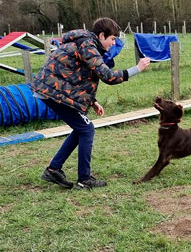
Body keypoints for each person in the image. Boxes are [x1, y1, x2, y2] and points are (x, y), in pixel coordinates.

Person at [32, 17, 151, 189]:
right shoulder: (88, 46)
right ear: (102, 35)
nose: (112, 44)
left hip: (51, 90)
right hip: (52, 92)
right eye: (112, 39)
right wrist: (137, 69)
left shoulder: (86, 44)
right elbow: (108, 76)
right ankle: (84, 179)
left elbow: (78, 75)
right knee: (87, 129)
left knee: (82, 128)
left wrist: (93, 101)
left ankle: (53, 169)